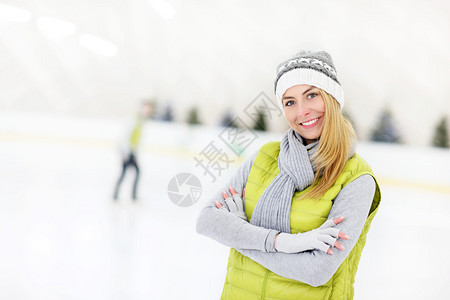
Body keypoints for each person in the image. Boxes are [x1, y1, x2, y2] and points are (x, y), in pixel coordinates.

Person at [196, 50, 381, 299]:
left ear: (333, 98)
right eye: (289, 102)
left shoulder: (356, 179)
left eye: (312, 95)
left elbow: (316, 271)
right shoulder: (265, 157)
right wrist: (285, 242)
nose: (302, 111)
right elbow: (207, 220)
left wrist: (241, 234)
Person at [113, 101, 153, 201]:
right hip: (127, 151)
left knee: (135, 173)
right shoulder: (134, 119)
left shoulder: (141, 120)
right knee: (125, 173)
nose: (148, 111)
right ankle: (117, 196)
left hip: (132, 152)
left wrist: (135, 153)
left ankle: (128, 196)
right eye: (147, 108)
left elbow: (137, 139)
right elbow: (125, 136)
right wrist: (125, 153)